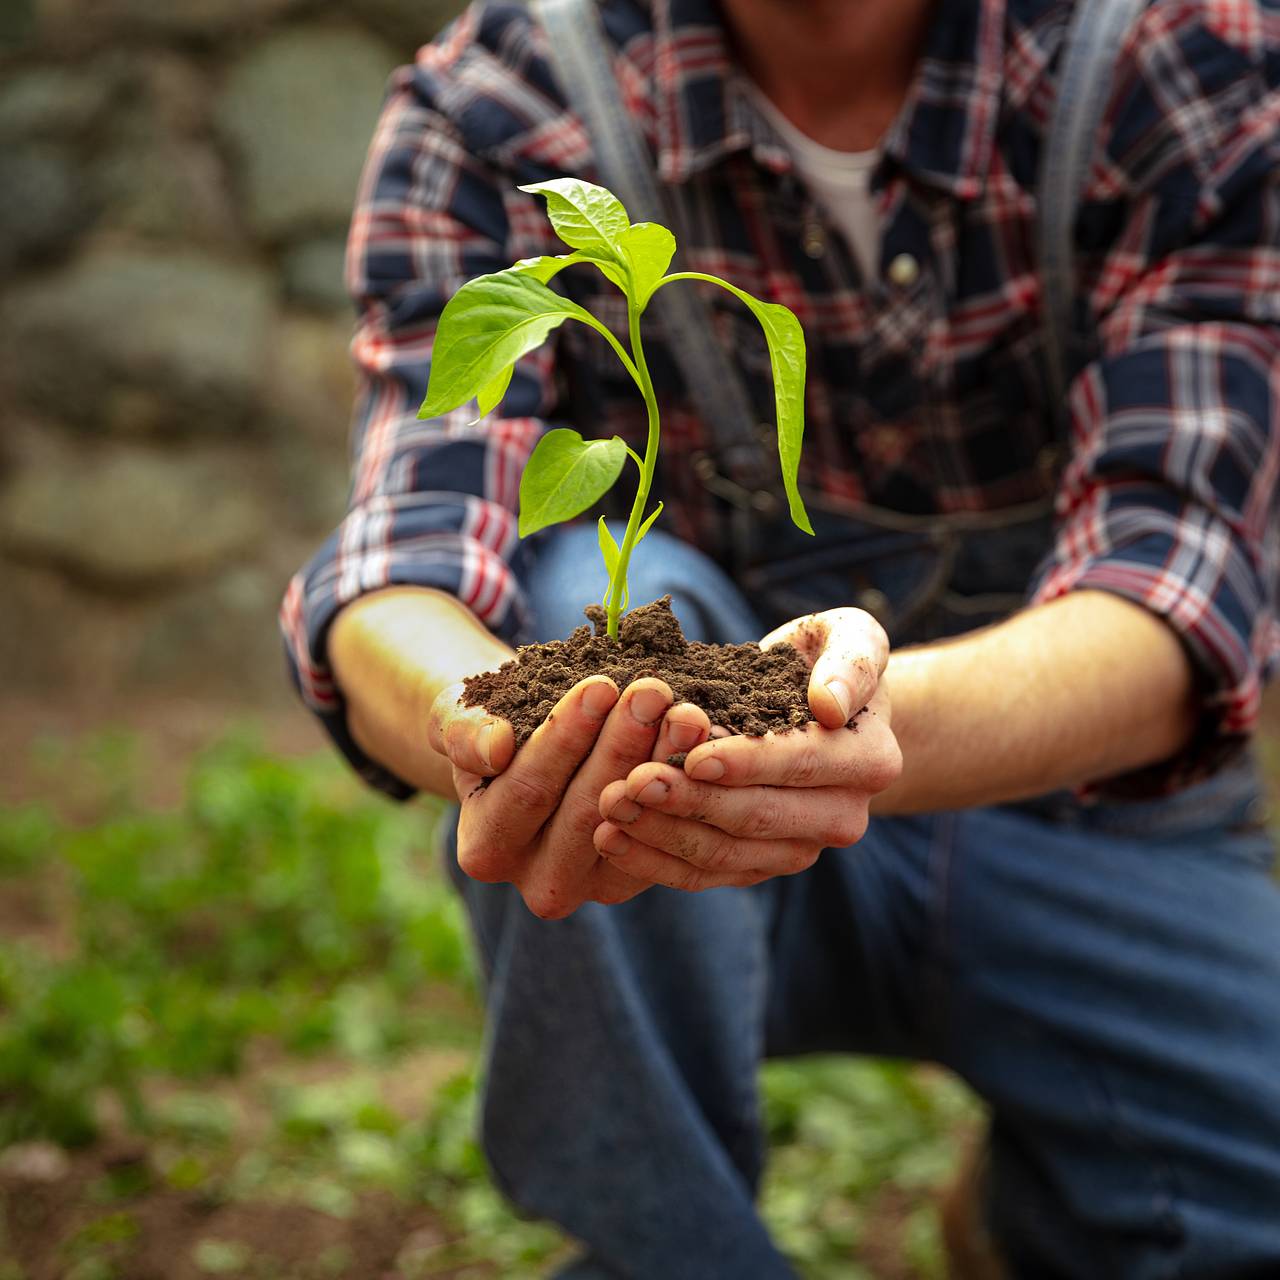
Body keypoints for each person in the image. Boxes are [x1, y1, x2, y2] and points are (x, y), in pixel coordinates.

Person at [280, 0, 1280, 1274]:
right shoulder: (513, 89)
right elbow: (402, 558)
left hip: (1083, 809)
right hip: (673, 820)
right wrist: (484, 725)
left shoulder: (1171, 55)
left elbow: (1173, 596)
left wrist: (821, 724)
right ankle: (670, 1248)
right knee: (561, 606)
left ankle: (1047, 1205)